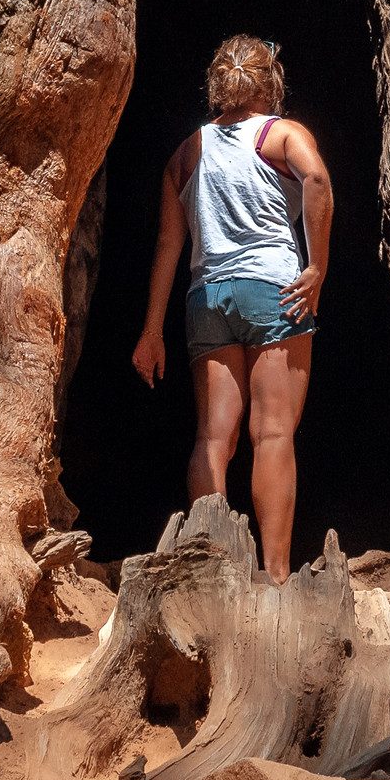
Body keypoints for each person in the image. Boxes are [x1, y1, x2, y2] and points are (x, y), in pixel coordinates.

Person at [129, 33, 334, 579]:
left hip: (208, 298)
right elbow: (315, 177)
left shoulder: (185, 152)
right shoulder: (280, 134)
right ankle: (274, 575)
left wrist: (152, 330)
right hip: (274, 291)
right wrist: (317, 265)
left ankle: (209, 568)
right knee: (272, 433)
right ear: (270, 85)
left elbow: (170, 244)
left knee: (213, 437)